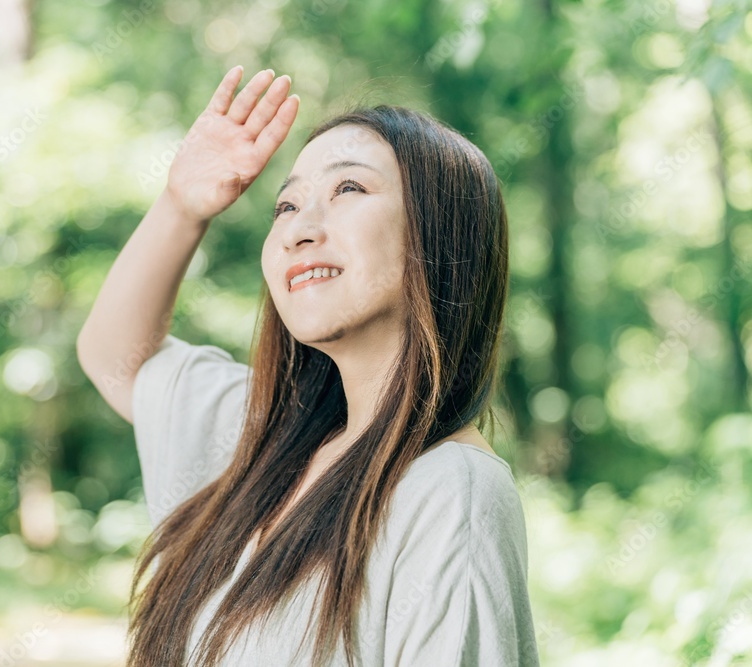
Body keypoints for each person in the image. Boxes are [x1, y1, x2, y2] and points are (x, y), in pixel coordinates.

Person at [77, 65, 539, 667]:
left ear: (442, 233)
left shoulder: (453, 492)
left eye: (349, 189)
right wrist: (181, 206)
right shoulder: (268, 439)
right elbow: (115, 359)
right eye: (287, 204)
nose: (299, 228)